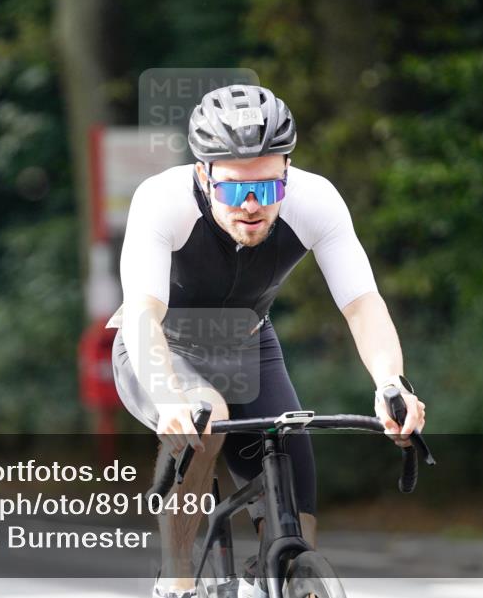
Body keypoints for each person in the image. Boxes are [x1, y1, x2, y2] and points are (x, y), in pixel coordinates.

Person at [108, 84, 427, 598]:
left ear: (287, 171)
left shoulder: (316, 199)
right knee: (204, 417)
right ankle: (176, 579)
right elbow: (144, 313)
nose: (253, 205)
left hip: (248, 345)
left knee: (298, 524)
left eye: (270, 187)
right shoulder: (161, 201)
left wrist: (391, 382)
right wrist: (168, 395)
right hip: (162, 348)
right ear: (202, 174)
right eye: (234, 190)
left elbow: (362, 304)